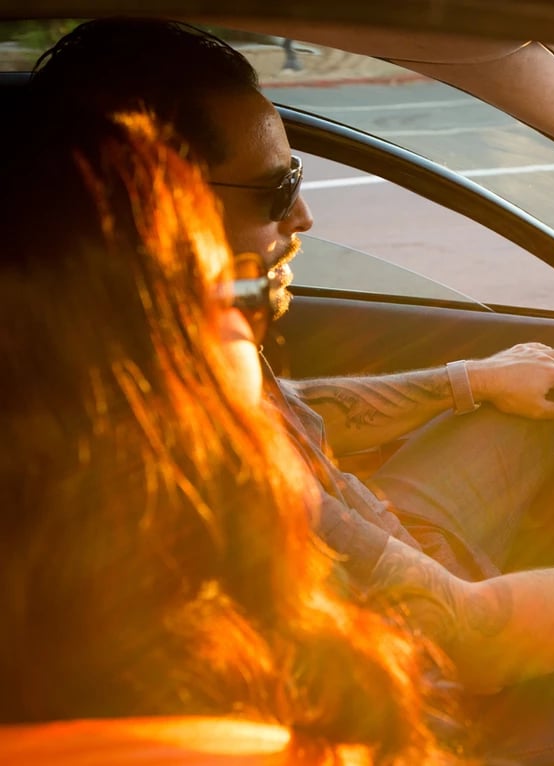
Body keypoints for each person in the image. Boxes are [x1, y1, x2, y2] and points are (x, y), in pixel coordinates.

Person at [29, 17, 554, 707]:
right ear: (151, 214)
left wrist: (464, 381)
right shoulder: (182, 452)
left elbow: (300, 398)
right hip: (419, 659)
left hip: (387, 538)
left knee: (548, 410)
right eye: (278, 191)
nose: (308, 219)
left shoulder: (127, 361)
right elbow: (467, 636)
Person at [0, 107, 470, 762]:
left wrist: (465, 383)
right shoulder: (221, 720)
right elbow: (467, 626)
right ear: (144, 346)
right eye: (228, 289)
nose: (251, 330)